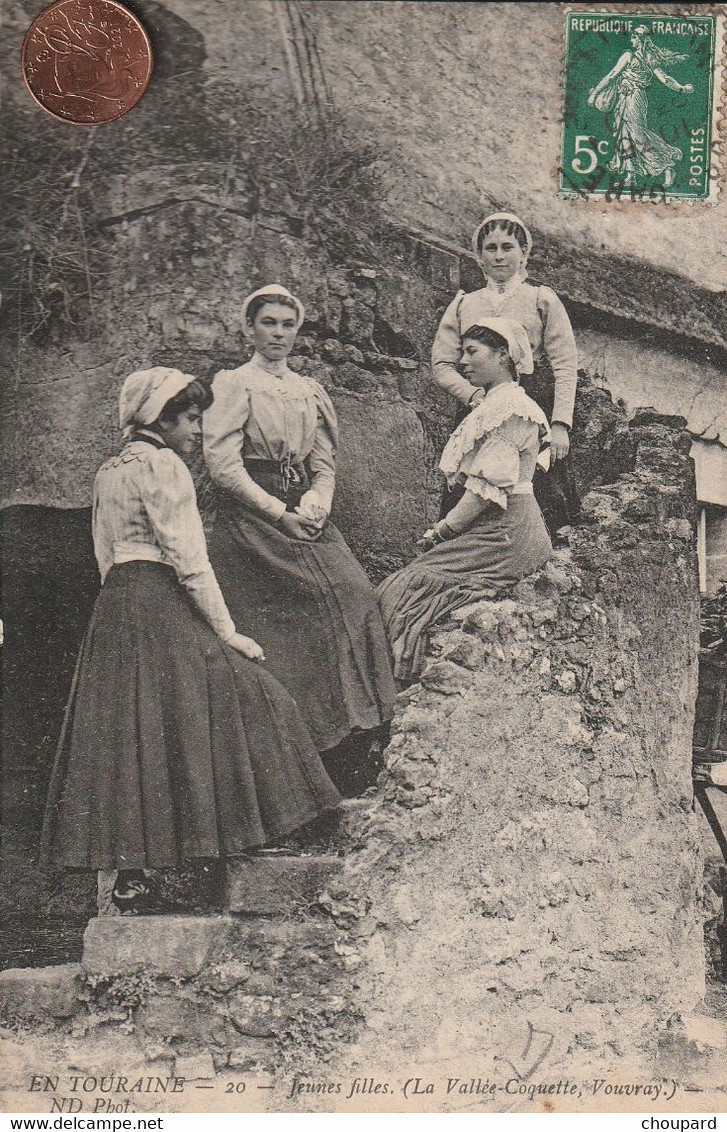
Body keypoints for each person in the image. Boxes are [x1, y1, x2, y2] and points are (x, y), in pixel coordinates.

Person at [40, 367, 341, 909]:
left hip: (116, 606)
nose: (198, 431)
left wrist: (124, 604)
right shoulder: (165, 466)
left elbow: (104, 554)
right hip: (158, 596)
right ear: (163, 419)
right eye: (192, 419)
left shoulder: (111, 470)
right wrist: (229, 632)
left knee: (137, 729)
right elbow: (190, 560)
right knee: (252, 690)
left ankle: (135, 873)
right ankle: (247, 835)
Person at [203, 285, 395, 784]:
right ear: (249, 329)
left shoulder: (309, 390)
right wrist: (276, 511)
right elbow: (223, 466)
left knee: (356, 596)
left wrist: (316, 504)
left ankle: (361, 736)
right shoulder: (234, 384)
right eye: (269, 323)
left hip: (305, 511)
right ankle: (304, 758)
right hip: (253, 518)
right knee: (297, 623)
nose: (279, 334)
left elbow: (324, 464)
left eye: (288, 325)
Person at [379, 320, 553, 683]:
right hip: (496, 525)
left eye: (472, 352)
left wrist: (443, 532)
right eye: (461, 352)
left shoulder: (515, 410)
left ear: (504, 355)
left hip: (511, 532)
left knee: (407, 586)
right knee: (406, 584)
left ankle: (396, 687)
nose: (462, 361)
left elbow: (484, 491)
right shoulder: (494, 405)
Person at [431, 211, 579, 536]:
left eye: (508, 247)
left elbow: (565, 365)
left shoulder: (541, 299)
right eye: (491, 248)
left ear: (523, 253)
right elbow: (441, 365)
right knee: (471, 492)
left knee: (541, 501)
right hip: (479, 409)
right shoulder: (464, 304)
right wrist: (472, 395)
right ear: (480, 257)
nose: (499, 255)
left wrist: (560, 425)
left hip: (531, 406)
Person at [588, 26, 693, 188]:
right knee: (623, 135)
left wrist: (594, 94)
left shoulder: (632, 56)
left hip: (635, 99)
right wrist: (682, 88)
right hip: (624, 99)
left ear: (640, 39)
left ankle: (666, 166)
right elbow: (665, 79)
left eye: (634, 37)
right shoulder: (642, 56)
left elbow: (612, 76)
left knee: (638, 135)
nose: (631, 40)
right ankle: (631, 176)